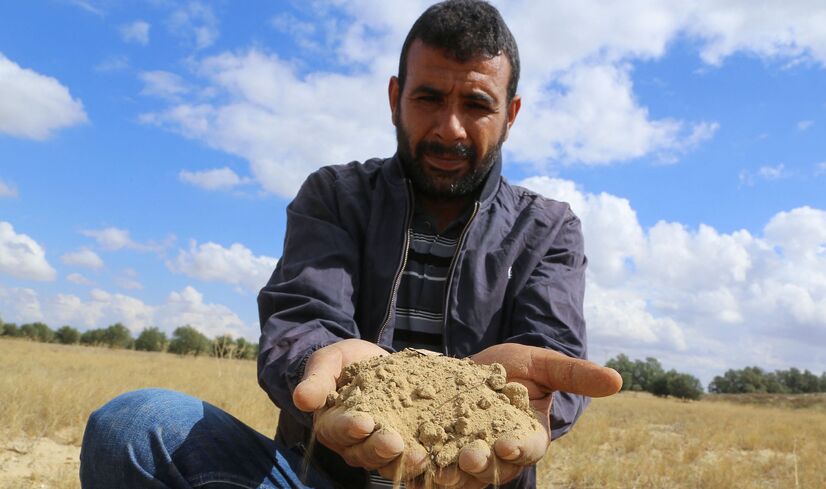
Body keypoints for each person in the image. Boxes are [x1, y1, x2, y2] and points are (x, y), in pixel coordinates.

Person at [79, 1, 621, 488]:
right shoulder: (335, 196)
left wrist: (520, 402)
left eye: (477, 104)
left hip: (475, 482)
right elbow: (303, 316)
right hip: (318, 475)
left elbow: (551, 358)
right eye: (428, 97)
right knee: (132, 425)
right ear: (394, 98)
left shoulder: (548, 227)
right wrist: (327, 367)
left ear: (511, 115)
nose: (450, 127)